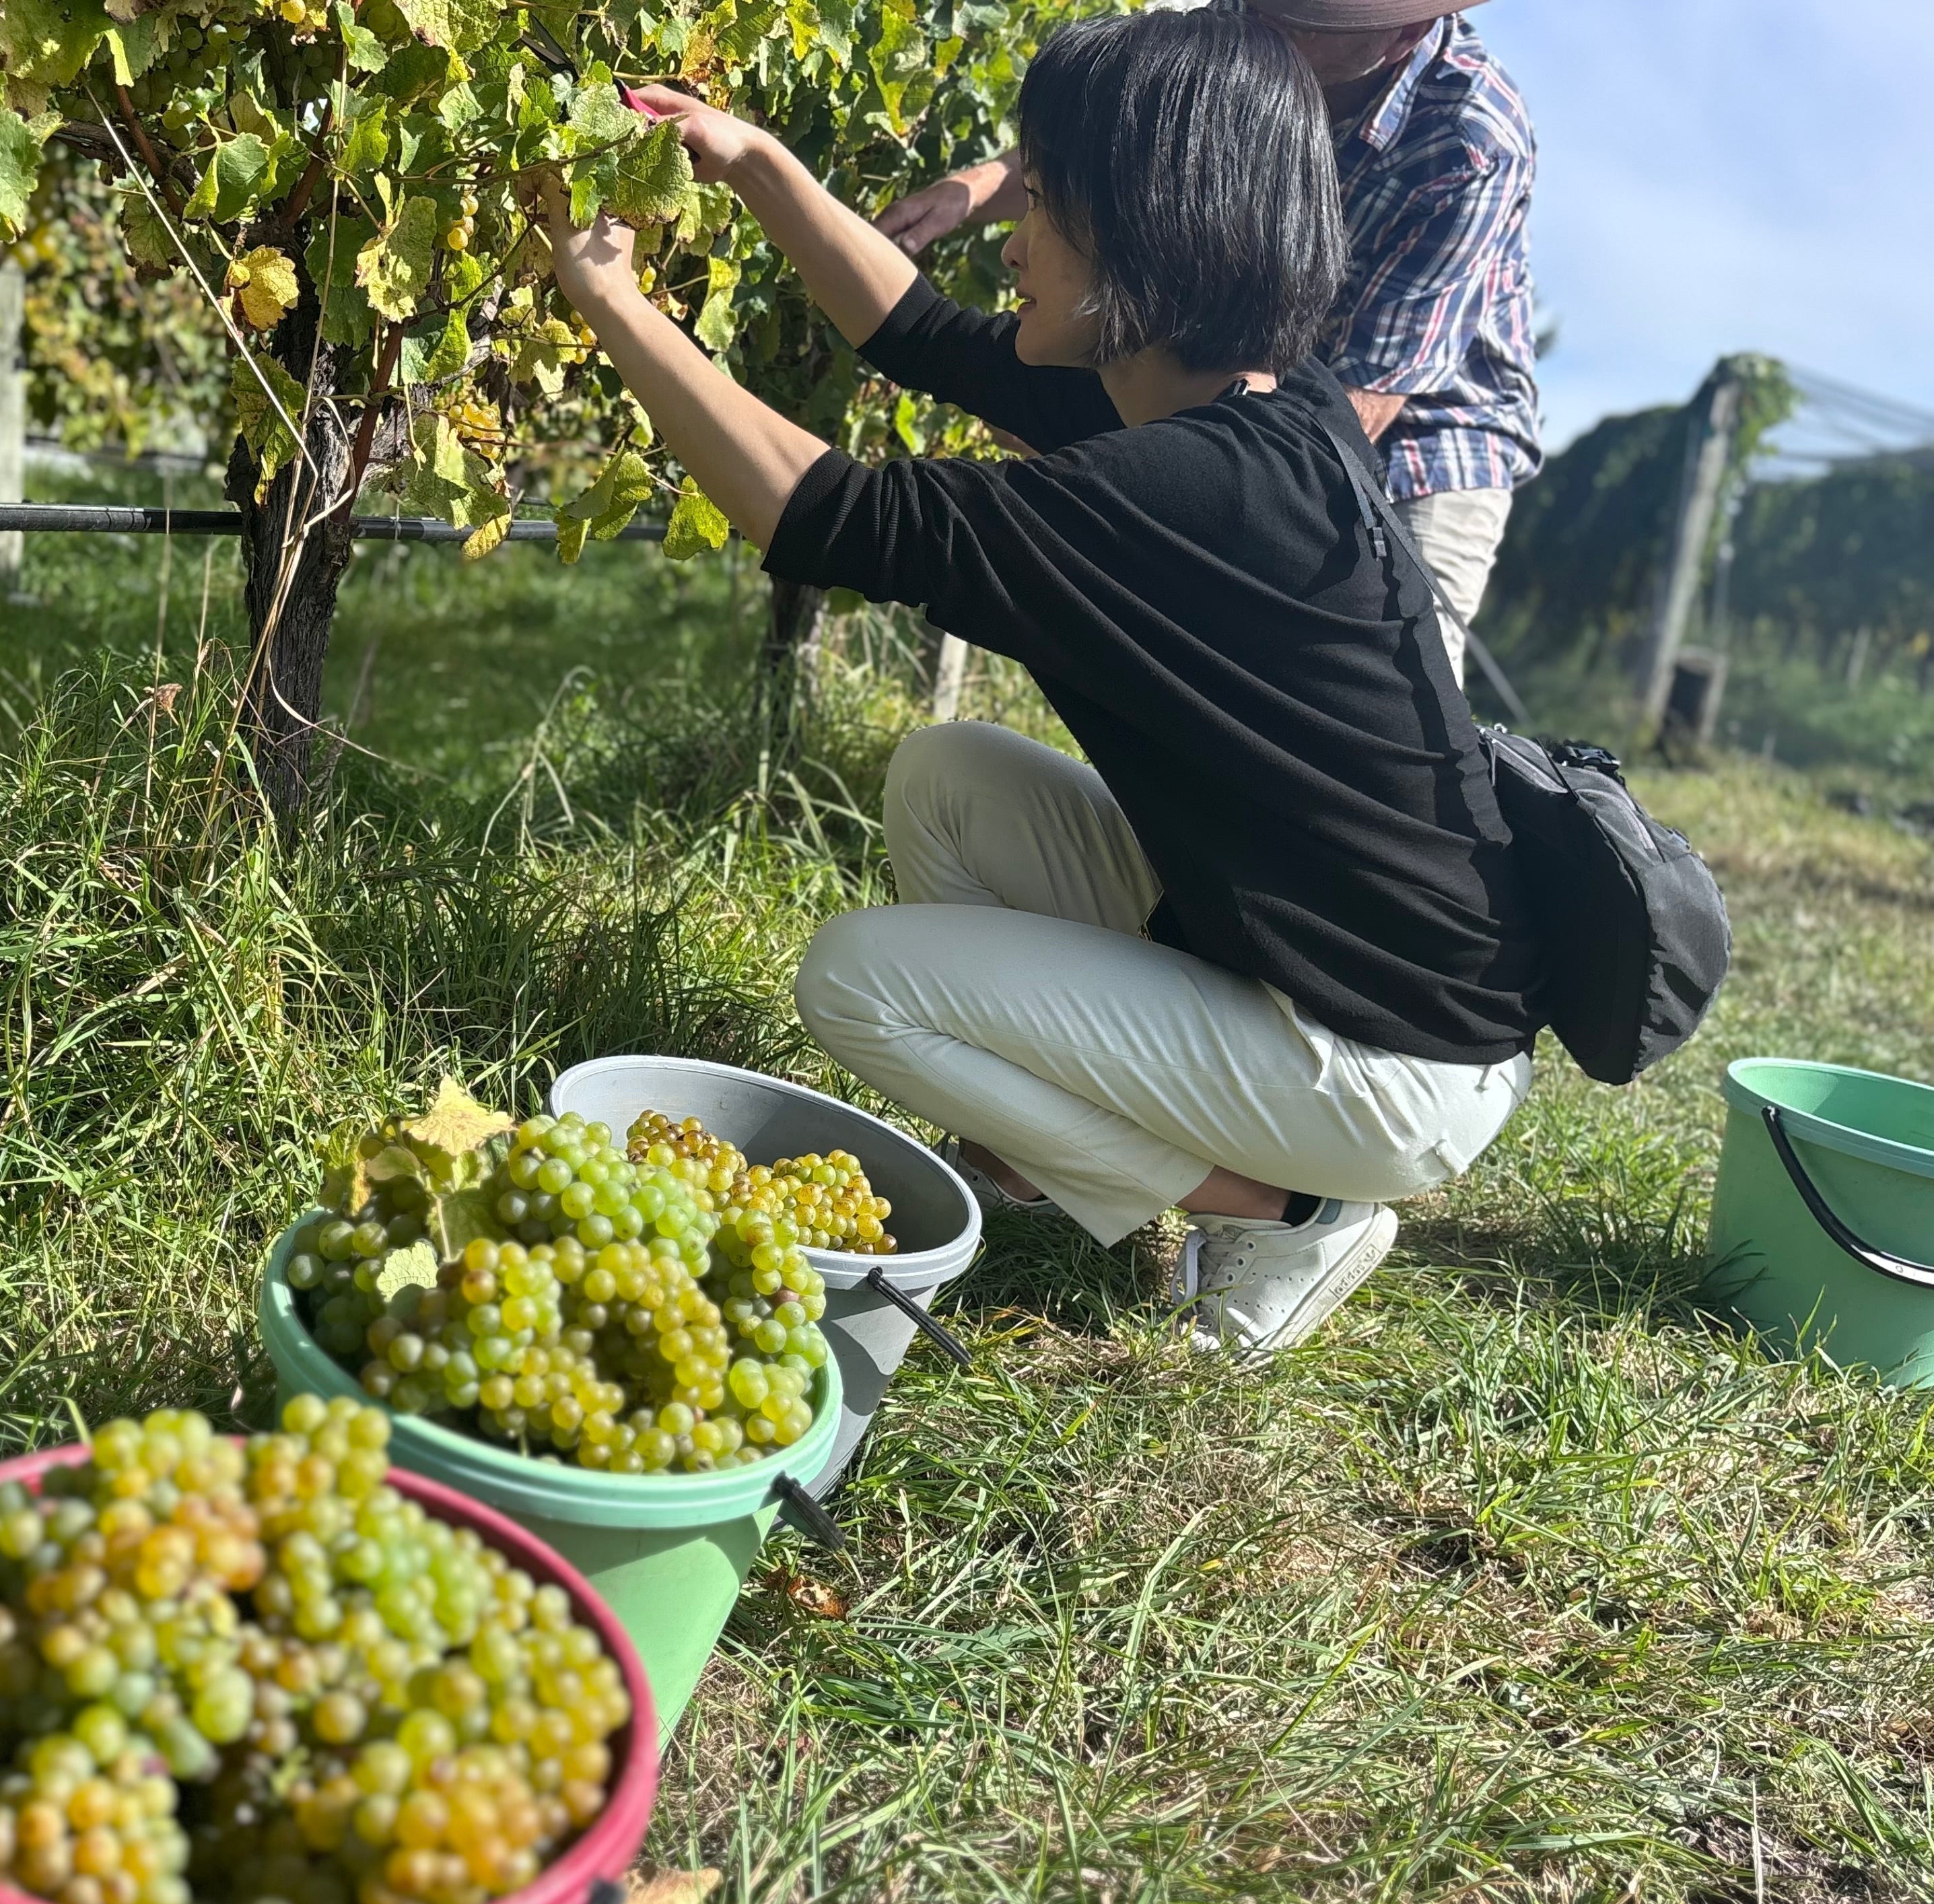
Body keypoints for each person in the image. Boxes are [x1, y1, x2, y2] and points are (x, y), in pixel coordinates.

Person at [544, 9, 1542, 1354]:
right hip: (1334, 974)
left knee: (858, 981)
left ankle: (1293, 1206)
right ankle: (1063, 1141)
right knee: (946, 778)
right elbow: (924, 336)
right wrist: (756, 160)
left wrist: (612, 305)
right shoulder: (1234, 405)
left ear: (1148, 234)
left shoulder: (1192, 490)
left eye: (1048, 206)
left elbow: (831, 516)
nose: (1012, 239)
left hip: (1384, 1061)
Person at [876, 0, 1538, 682]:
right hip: (1246, 377)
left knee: (1388, 682)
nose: (1259, 26)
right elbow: (1121, 145)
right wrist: (971, 190)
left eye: (1307, 22)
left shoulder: (1472, 143)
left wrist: (1126, 461)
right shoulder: (1260, 13)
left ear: (1404, 35)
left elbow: (1360, 404)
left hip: (1422, 442)